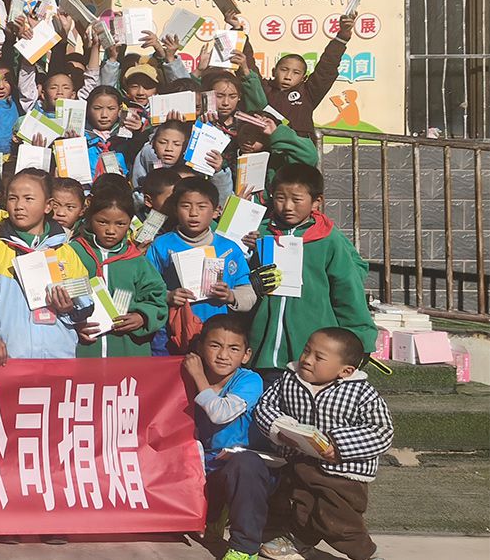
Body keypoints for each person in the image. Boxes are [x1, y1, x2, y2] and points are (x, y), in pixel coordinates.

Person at [256, 328, 393, 560]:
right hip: (299, 462)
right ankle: (299, 541)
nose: (307, 360)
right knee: (301, 506)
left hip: (342, 474)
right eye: (306, 351)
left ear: (346, 371)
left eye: (318, 357)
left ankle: (366, 553)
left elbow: (382, 431)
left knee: (337, 518)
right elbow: (264, 406)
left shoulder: (362, 393)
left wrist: (338, 445)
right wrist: (279, 428)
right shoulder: (289, 380)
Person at [249, 164, 375, 372]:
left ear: (317, 202)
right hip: (260, 346)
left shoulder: (328, 239)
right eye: (280, 198)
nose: (288, 206)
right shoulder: (258, 233)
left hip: (311, 351)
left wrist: (362, 337)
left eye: (297, 200)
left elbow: (347, 289)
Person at [0, 169, 76, 364]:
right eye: (13, 198)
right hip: (11, 360)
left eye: (28, 199)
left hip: (59, 359)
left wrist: (69, 307)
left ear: (48, 206)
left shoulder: (65, 251)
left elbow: (86, 303)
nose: (19, 206)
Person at [183, 315, 271, 560]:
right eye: (215, 345)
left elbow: (220, 414)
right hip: (197, 466)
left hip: (235, 468)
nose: (223, 355)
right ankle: (212, 516)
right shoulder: (182, 374)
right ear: (200, 347)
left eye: (233, 348)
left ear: (246, 355)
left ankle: (244, 548)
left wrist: (198, 377)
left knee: (246, 465)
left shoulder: (249, 380)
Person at [146, 177, 254, 355]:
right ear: (175, 209)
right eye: (186, 206)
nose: (193, 213)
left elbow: (248, 292)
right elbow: (146, 288)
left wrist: (230, 296)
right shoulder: (161, 245)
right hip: (171, 335)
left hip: (218, 339)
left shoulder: (228, 249)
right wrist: (168, 296)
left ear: (216, 211)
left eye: (202, 207)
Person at [60, 188, 168, 357]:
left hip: (128, 351)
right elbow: (57, 298)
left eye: (120, 224)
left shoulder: (136, 260)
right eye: (102, 222)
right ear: (89, 218)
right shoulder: (71, 254)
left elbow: (158, 299)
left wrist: (142, 317)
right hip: (82, 350)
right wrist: (73, 323)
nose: (111, 230)